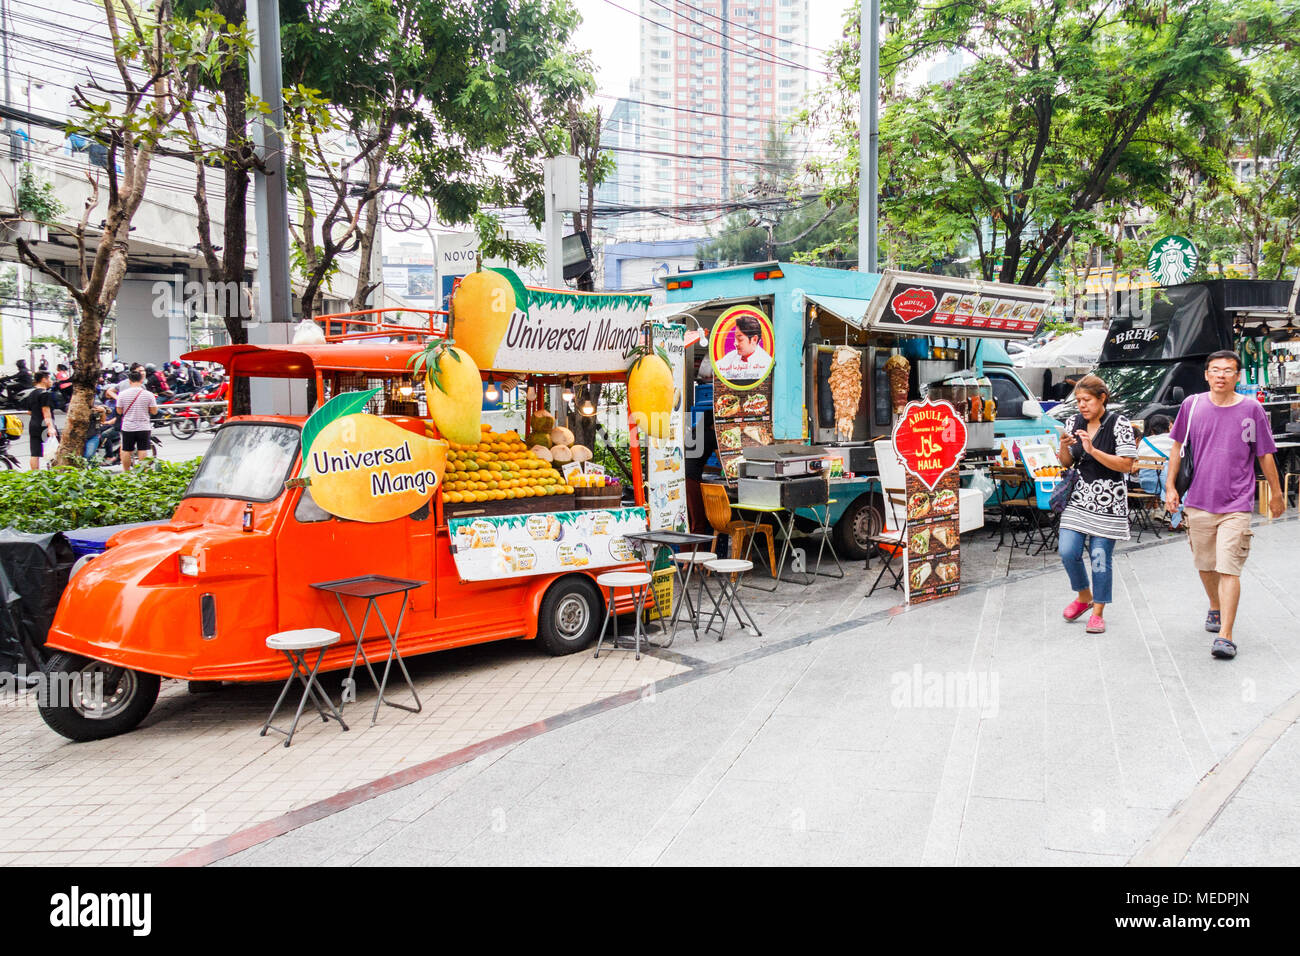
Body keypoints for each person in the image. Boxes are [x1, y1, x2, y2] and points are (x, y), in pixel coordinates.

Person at [1165, 350, 1285, 660]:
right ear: (1206, 375)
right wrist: (1169, 487)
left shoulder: (1252, 409)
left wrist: (1275, 492)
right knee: (1206, 566)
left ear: (1237, 376)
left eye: (1228, 370)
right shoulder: (1191, 406)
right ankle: (1215, 607)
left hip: (1237, 503)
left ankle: (1225, 636)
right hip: (1199, 501)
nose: (1221, 375)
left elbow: (1264, 454)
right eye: (1216, 370)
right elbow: (1177, 447)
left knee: (1229, 568)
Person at [1056, 374, 1138, 634]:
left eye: (1087, 400)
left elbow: (1126, 465)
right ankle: (1083, 597)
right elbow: (1066, 463)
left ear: (1102, 398)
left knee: (1100, 556)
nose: (1082, 405)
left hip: (1109, 501)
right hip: (1078, 497)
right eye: (1078, 400)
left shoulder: (1119, 423)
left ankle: (1099, 611)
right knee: (1068, 551)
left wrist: (1093, 451)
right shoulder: (1073, 421)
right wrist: (1064, 445)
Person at [115, 368, 158, 471]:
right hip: (143, 426)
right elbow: (154, 411)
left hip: (128, 426)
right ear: (141, 380)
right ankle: (143, 471)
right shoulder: (148, 394)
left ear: (129, 381)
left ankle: (126, 472)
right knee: (143, 449)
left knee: (126, 450)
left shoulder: (122, 395)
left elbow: (119, 411)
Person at [715, 314, 772, 382]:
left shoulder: (766, 362)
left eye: (740, 339)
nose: (735, 343)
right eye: (735, 338)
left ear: (754, 339)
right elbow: (716, 370)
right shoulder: (731, 357)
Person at [26, 371, 58, 469]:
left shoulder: (31, 394)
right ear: (44, 380)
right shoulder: (45, 394)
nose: (52, 381)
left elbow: (29, 411)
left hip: (33, 424)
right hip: (44, 425)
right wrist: (50, 427)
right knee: (54, 450)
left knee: (35, 453)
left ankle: (35, 476)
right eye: (50, 379)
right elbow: (46, 411)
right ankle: (56, 474)